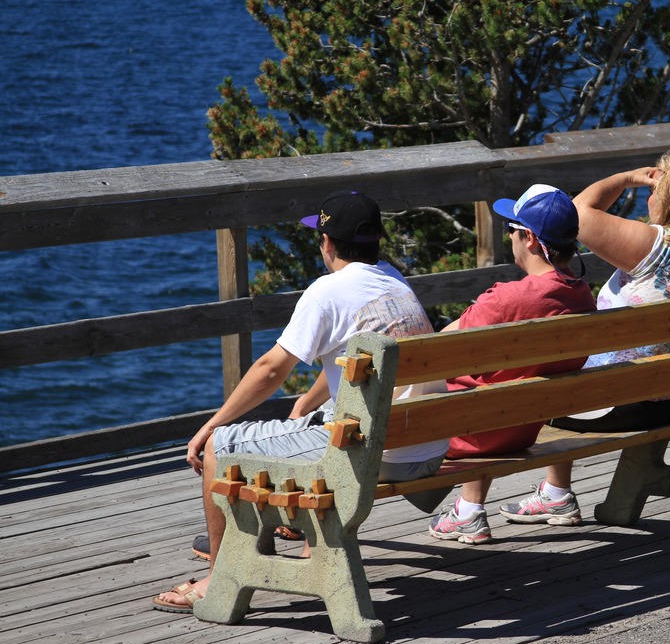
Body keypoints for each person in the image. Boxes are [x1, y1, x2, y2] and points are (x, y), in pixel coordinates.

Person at [152, 190, 450, 613]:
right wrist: (307, 403)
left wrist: (209, 425)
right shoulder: (394, 281)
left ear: (327, 243)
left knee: (223, 446)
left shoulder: (328, 292)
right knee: (313, 424)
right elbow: (362, 367)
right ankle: (298, 544)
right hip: (425, 448)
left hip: (372, 456)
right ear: (376, 242)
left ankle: (219, 579)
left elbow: (271, 370)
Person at [497, 148, 670, 527]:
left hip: (618, 402)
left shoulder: (658, 249)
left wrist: (626, 177)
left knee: (551, 374)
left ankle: (553, 495)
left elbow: (575, 214)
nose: (649, 196)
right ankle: (554, 492)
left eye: (655, 190)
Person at [427, 185, 598, 545]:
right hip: (531, 425)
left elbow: (437, 348)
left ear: (530, 239)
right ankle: (467, 510)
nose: (510, 238)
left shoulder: (505, 299)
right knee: (497, 386)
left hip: (472, 434)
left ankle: (468, 512)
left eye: (511, 229)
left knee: (469, 390)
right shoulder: (583, 296)